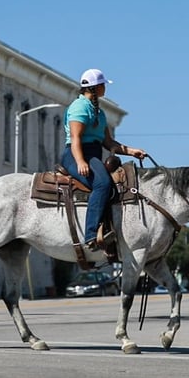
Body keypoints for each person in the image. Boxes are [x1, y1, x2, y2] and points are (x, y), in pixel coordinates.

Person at [60, 68, 146, 251]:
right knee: (102, 184)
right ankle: (91, 234)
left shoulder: (99, 112)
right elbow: (75, 138)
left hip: (93, 154)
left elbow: (108, 142)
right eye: (103, 85)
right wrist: (81, 162)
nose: (105, 88)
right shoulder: (79, 107)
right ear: (96, 87)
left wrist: (132, 151)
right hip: (76, 154)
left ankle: (110, 227)